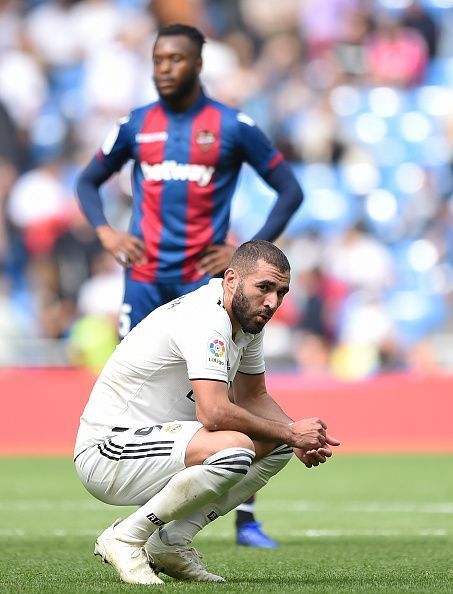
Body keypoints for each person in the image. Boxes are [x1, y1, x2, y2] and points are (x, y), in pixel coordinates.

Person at [76, 23, 304, 547]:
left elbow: (289, 191)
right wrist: (107, 231)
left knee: (219, 394)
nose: (164, 68)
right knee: (149, 390)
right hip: (145, 281)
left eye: (175, 59)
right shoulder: (136, 126)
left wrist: (247, 255)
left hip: (203, 279)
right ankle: (153, 518)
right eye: (157, 60)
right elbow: (87, 181)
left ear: (198, 64)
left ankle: (241, 515)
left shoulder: (231, 127)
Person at [74, 240, 340, 585]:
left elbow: (254, 395)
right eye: (264, 287)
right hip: (108, 452)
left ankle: (169, 542)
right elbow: (213, 413)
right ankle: (125, 537)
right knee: (236, 447)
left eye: (281, 292)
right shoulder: (205, 319)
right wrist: (291, 431)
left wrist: (293, 435)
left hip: (163, 447)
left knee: (276, 445)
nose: (273, 302)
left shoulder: (246, 321)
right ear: (231, 280)